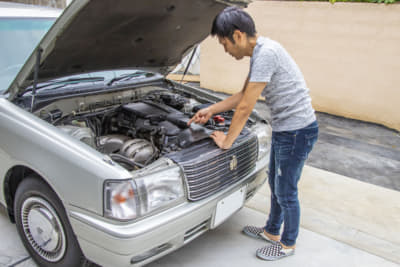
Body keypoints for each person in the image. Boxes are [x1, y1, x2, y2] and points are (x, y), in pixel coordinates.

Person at [187, 6, 319, 261]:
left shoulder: (266, 53)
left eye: (225, 44)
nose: (226, 50)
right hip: (287, 130)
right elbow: (242, 95)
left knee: (286, 190)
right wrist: (210, 109)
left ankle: (287, 244)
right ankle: (271, 231)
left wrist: (227, 141)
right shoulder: (261, 52)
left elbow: (247, 106)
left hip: (297, 132)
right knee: (276, 183)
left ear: (237, 35)